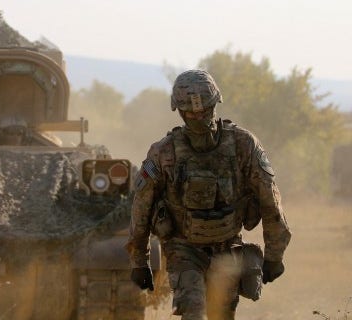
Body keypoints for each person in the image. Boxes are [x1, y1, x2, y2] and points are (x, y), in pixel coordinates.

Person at [125, 69, 291, 320]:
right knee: (194, 311)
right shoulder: (164, 152)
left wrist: (274, 255)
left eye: (204, 111)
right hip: (183, 249)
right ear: (180, 112)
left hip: (228, 248)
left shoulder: (243, 145)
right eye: (191, 113)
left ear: (215, 105)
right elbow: (142, 207)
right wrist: (140, 261)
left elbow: (269, 200)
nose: (198, 117)